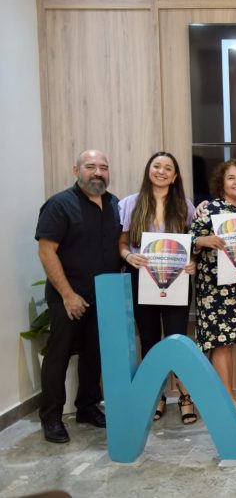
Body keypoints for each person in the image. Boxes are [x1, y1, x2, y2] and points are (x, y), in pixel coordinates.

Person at [35, 149, 122, 443]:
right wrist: (68, 294)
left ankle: (87, 407)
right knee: (58, 355)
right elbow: (46, 252)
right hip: (68, 296)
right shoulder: (60, 205)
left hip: (104, 297)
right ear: (76, 170)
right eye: (90, 166)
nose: (98, 172)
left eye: (103, 167)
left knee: (94, 354)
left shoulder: (114, 204)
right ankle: (51, 417)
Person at [118, 151, 197, 424]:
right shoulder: (130, 203)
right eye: (157, 166)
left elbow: (193, 245)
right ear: (148, 170)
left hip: (177, 280)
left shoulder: (185, 206)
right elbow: (122, 243)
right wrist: (128, 256)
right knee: (149, 339)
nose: (161, 171)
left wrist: (192, 262)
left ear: (174, 176)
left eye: (167, 168)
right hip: (142, 279)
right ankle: (157, 395)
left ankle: (185, 396)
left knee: (177, 339)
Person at [190, 159, 236, 420]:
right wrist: (203, 241)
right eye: (231, 177)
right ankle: (229, 401)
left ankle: (218, 397)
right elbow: (190, 241)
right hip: (215, 290)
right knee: (221, 345)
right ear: (221, 182)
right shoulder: (210, 209)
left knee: (228, 343)